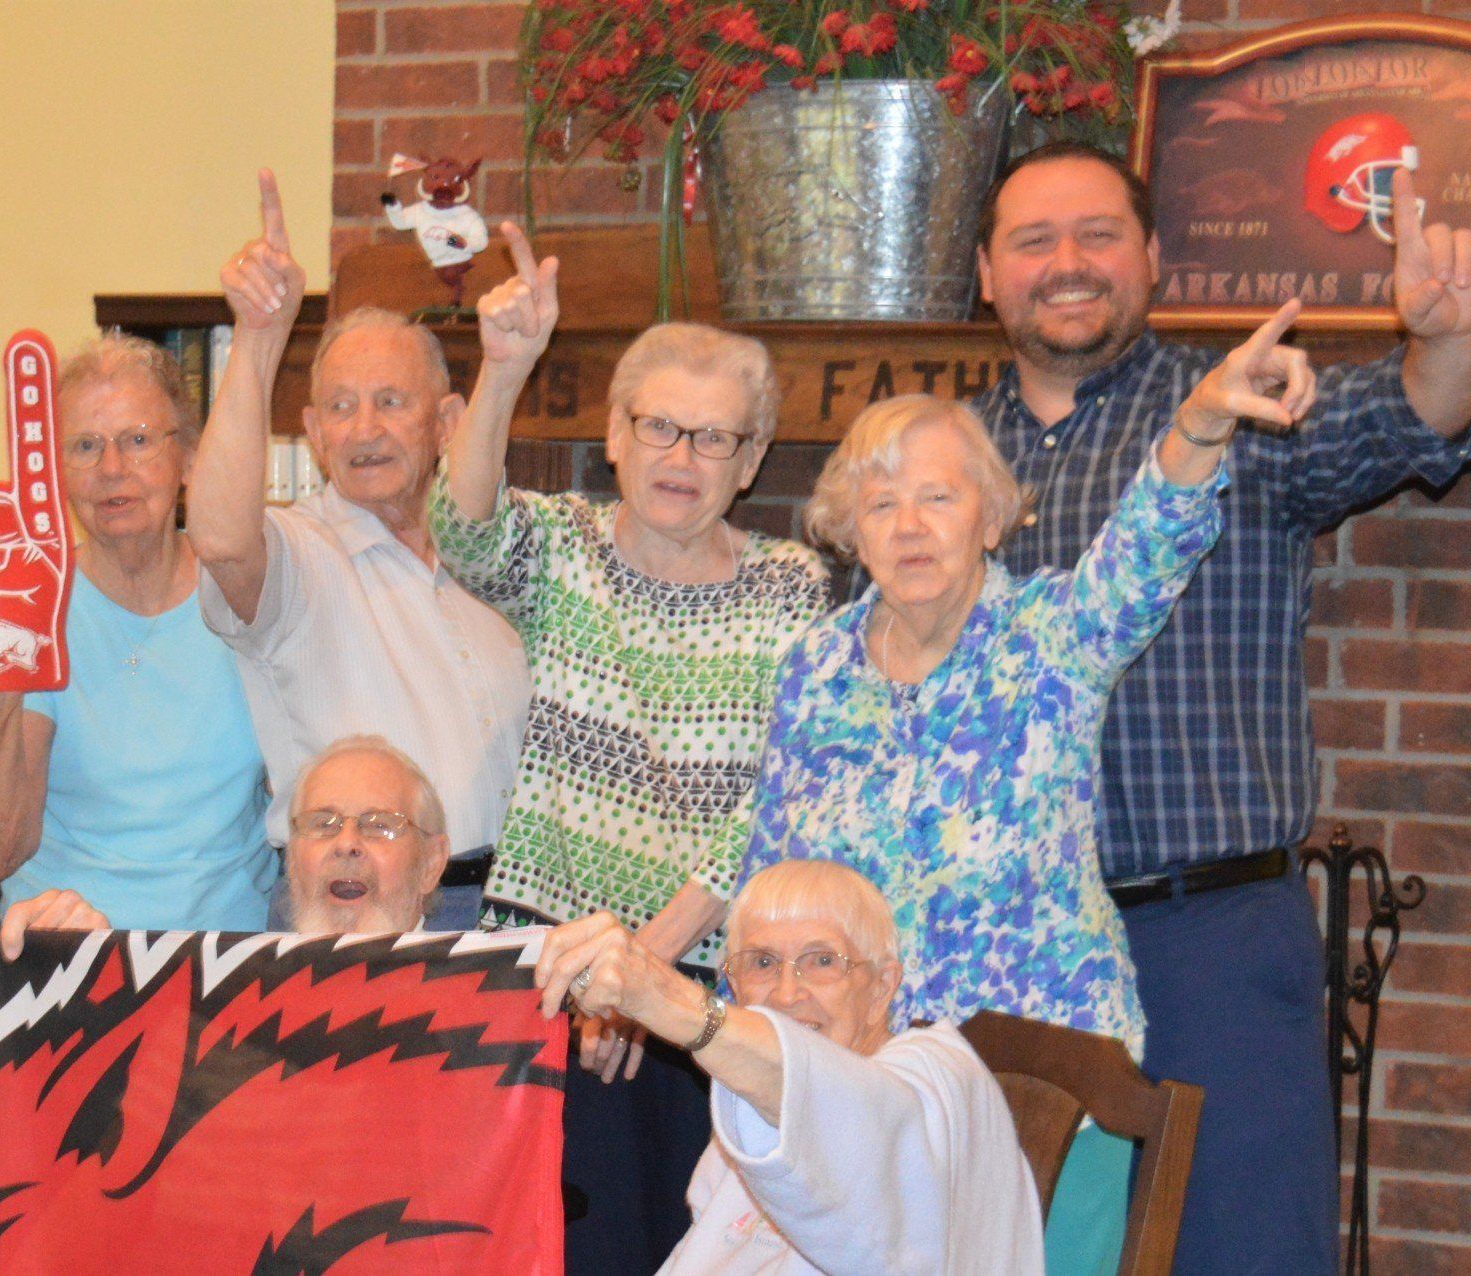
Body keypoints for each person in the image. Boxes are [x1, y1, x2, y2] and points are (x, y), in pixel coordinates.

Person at [971, 139, 1471, 1272]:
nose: (1069, 262)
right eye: (1033, 240)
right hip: (1006, 950)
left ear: (1150, 257)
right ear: (989, 273)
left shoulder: (1241, 406)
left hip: (1209, 948)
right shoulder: (941, 461)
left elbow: (1408, 416)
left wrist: (1448, 341)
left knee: (1244, 1252)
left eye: (1098, 234)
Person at [739, 304, 1302, 1269]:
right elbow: (774, 875)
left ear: (992, 516)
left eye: (938, 499)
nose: (909, 527)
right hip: (862, 1082)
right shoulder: (815, 667)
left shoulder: (1052, 639)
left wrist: (1201, 422)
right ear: (848, 530)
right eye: (881, 506)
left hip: (1047, 1078)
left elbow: (1148, 547)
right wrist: (753, 1031)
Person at [432, 225, 834, 1271]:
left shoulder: (793, 587)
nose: (680, 459)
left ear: (750, 463)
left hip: (710, 994)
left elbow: (779, 805)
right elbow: (464, 527)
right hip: (552, 985)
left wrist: (642, 971)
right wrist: (505, 366)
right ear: (614, 436)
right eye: (659, 427)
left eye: (713, 439)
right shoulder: (563, 548)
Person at [187, 170, 528, 931]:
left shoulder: (503, 556)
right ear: (312, 434)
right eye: (340, 407)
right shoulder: (301, 556)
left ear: (446, 423)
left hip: (511, 913)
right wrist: (257, 337)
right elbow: (216, 536)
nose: (364, 428)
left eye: (391, 402)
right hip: (356, 911)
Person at [535, 860, 1044, 1275]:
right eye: (761, 963)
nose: (785, 993)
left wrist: (665, 999)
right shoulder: (748, 1113)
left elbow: (844, 1108)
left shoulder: (943, 1077)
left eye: (822, 961)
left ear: (883, 986)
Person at [0, 335, 275, 932]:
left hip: (228, 959)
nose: (111, 469)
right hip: (70, 957)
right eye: (84, 446)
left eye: (137, 440)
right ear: (54, 472)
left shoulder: (242, 591)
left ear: (188, 458)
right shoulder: (31, 606)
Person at [0, 735, 450, 955]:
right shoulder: (228, 1004)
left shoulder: (488, 996)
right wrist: (85, 971)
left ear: (432, 863)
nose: (346, 843)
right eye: (322, 824)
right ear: (291, 862)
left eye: (378, 825)